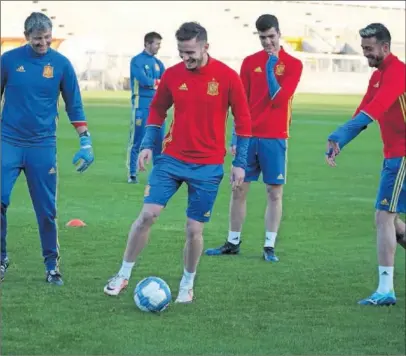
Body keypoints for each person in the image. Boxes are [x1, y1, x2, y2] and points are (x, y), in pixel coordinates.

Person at [104, 21, 252, 303]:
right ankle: (123, 274)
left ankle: (187, 283)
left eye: (191, 53)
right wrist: (148, 144)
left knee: (194, 230)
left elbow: (244, 122)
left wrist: (240, 162)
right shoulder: (173, 75)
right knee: (147, 215)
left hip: (208, 166)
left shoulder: (227, 77)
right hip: (170, 160)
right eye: (181, 53)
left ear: (205, 46)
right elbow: (157, 109)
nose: (186, 59)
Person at [0, 12, 94, 285]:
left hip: (42, 145)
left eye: (47, 38)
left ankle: (52, 265)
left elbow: (74, 103)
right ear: (27, 36)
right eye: (37, 39)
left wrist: (85, 140)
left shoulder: (61, 65)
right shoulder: (8, 61)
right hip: (9, 142)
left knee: (46, 209)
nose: (43, 43)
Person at [205, 14, 303, 261]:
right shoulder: (249, 63)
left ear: (279, 34)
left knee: (274, 193)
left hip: (275, 136)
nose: (267, 42)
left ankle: (269, 246)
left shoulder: (293, 64)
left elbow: (279, 99)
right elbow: (241, 102)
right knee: (238, 190)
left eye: (271, 36)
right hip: (248, 137)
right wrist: (236, 137)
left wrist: (271, 68)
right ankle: (232, 241)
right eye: (263, 38)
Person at [325, 23, 405, 306]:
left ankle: (385, 290)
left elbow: (375, 108)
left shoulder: (398, 72)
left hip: (403, 155)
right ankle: (386, 288)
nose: (366, 55)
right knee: (391, 221)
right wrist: (339, 140)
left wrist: (340, 135)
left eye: (369, 49)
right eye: (363, 49)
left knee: (384, 217)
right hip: (395, 156)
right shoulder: (378, 76)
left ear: (385, 47)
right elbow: (362, 110)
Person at [127, 32, 166, 184]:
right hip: (141, 105)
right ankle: (132, 173)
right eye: (157, 44)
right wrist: (156, 82)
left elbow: (165, 82)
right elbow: (144, 81)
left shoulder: (158, 63)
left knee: (159, 140)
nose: (159, 47)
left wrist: (154, 82)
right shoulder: (136, 61)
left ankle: (158, 175)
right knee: (137, 139)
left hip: (157, 106)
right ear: (148, 44)